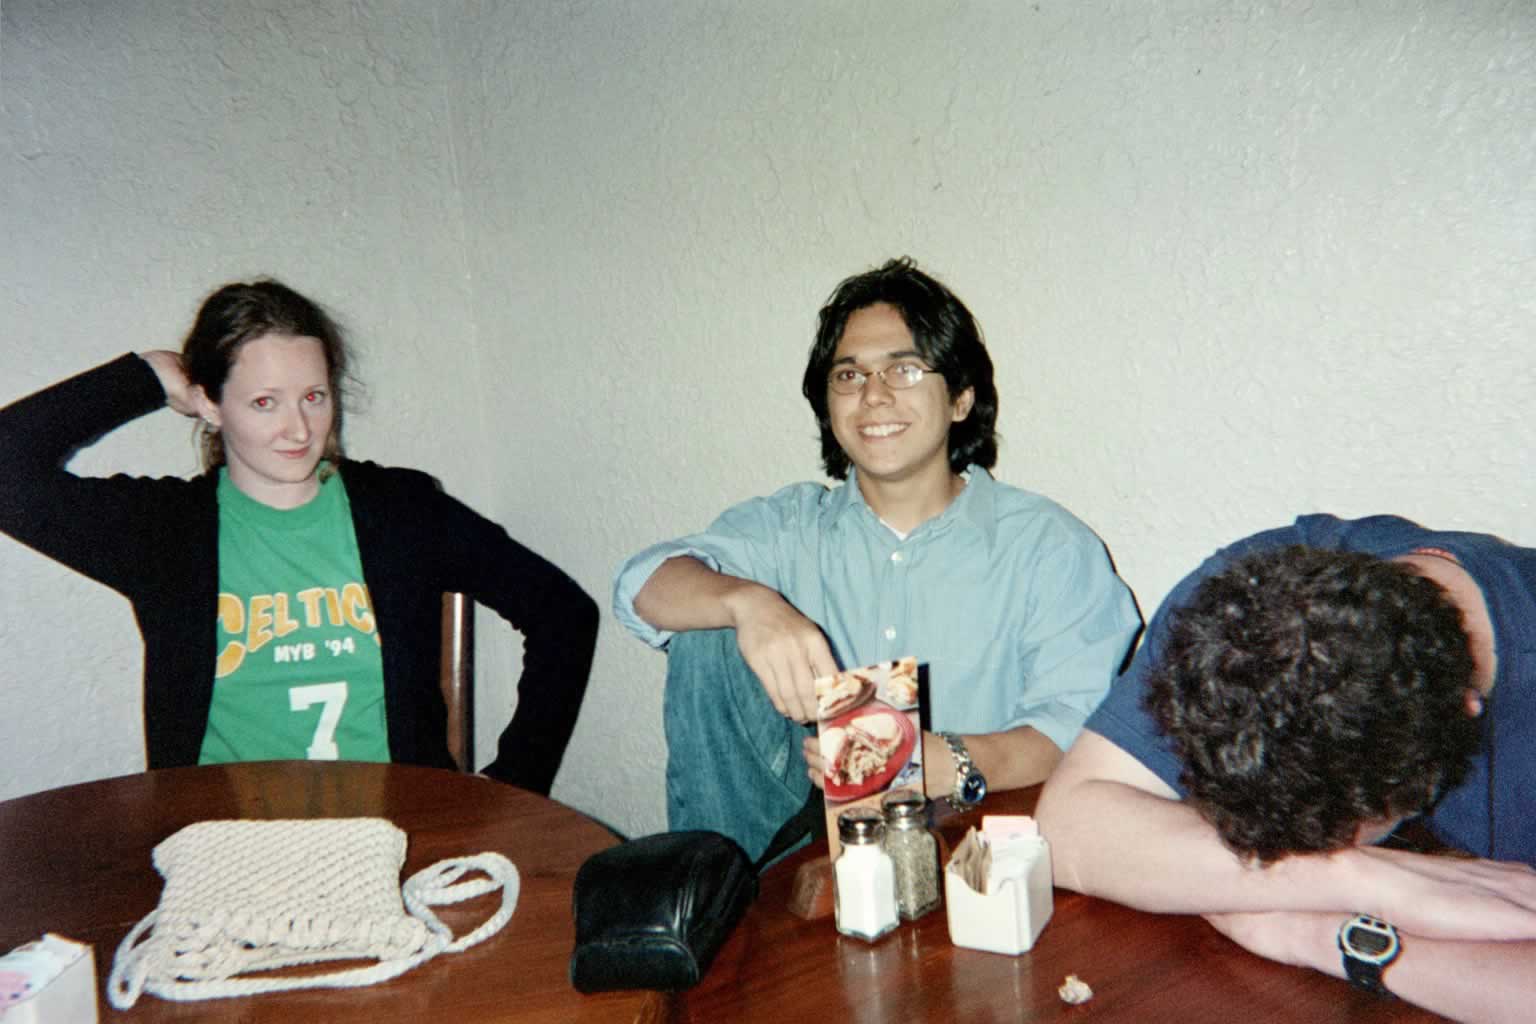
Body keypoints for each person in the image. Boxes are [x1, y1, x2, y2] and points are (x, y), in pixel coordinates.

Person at [613, 257, 1140, 861]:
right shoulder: (793, 527)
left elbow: (1082, 728)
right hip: (804, 850)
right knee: (706, 631)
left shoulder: (1047, 546)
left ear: (962, 398)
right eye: (849, 375)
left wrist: (951, 760)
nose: (873, 395)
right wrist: (749, 604)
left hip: (973, 844)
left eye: (905, 368)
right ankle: (726, 921)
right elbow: (640, 586)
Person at [0, 278, 597, 794]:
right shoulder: (163, 531)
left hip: (399, 839)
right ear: (209, 402)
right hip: (222, 849)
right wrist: (148, 375)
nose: (299, 428)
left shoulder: (402, 512)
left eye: (314, 396)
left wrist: (515, 781)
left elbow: (563, 613)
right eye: (265, 402)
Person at [1036, 514, 1536, 1024]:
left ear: (1464, 710)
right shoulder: (1253, 603)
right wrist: (1361, 883)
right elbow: (1068, 823)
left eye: (1339, 839)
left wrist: (1344, 943)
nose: (1308, 857)